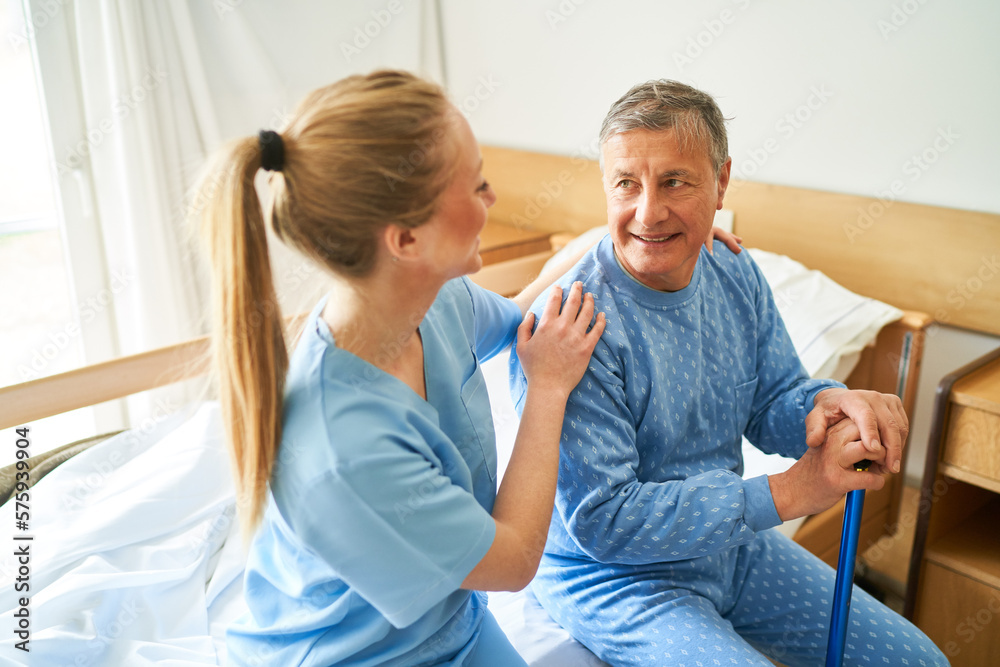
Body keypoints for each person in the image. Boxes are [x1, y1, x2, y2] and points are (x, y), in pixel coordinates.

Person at [197, 70, 736, 665]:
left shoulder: (435, 301)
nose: (492, 199)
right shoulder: (344, 448)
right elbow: (510, 562)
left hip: (450, 627)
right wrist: (547, 391)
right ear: (405, 239)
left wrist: (648, 231)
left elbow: (525, 309)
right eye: (476, 185)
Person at [509, 80, 948, 666]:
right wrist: (790, 492)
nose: (648, 212)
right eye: (626, 185)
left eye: (675, 182)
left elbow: (775, 399)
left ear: (721, 182)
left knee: (920, 661)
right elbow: (606, 522)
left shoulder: (733, 270)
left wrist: (833, 410)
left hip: (729, 549)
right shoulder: (572, 326)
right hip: (618, 580)